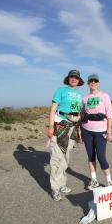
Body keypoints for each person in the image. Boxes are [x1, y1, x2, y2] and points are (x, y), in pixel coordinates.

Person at [47, 69, 84, 201]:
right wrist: (51, 127)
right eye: (71, 77)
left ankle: (62, 184)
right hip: (60, 126)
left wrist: (79, 132)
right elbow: (53, 109)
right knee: (56, 159)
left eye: (76, 77)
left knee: (65, 159)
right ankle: (55, 188)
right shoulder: (61, 90)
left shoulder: (80, 95)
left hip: (72, 129)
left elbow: (79, 115)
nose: (74, 79)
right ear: (68, 79)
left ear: (79, 81)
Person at [81, 74, 112, 190]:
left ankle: (109, 182)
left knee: (101, 157)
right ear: (88, 83)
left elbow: (109, 114)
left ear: (98, 83)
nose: (93, 83)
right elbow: (82, 115)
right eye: (91, 81)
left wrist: (109, 131)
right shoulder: (85, 98)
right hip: (86, 130)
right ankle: (94, 180)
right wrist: (80, 133)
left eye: (95, 81)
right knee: (91, 156)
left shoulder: (104, 96)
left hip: (101, 131)